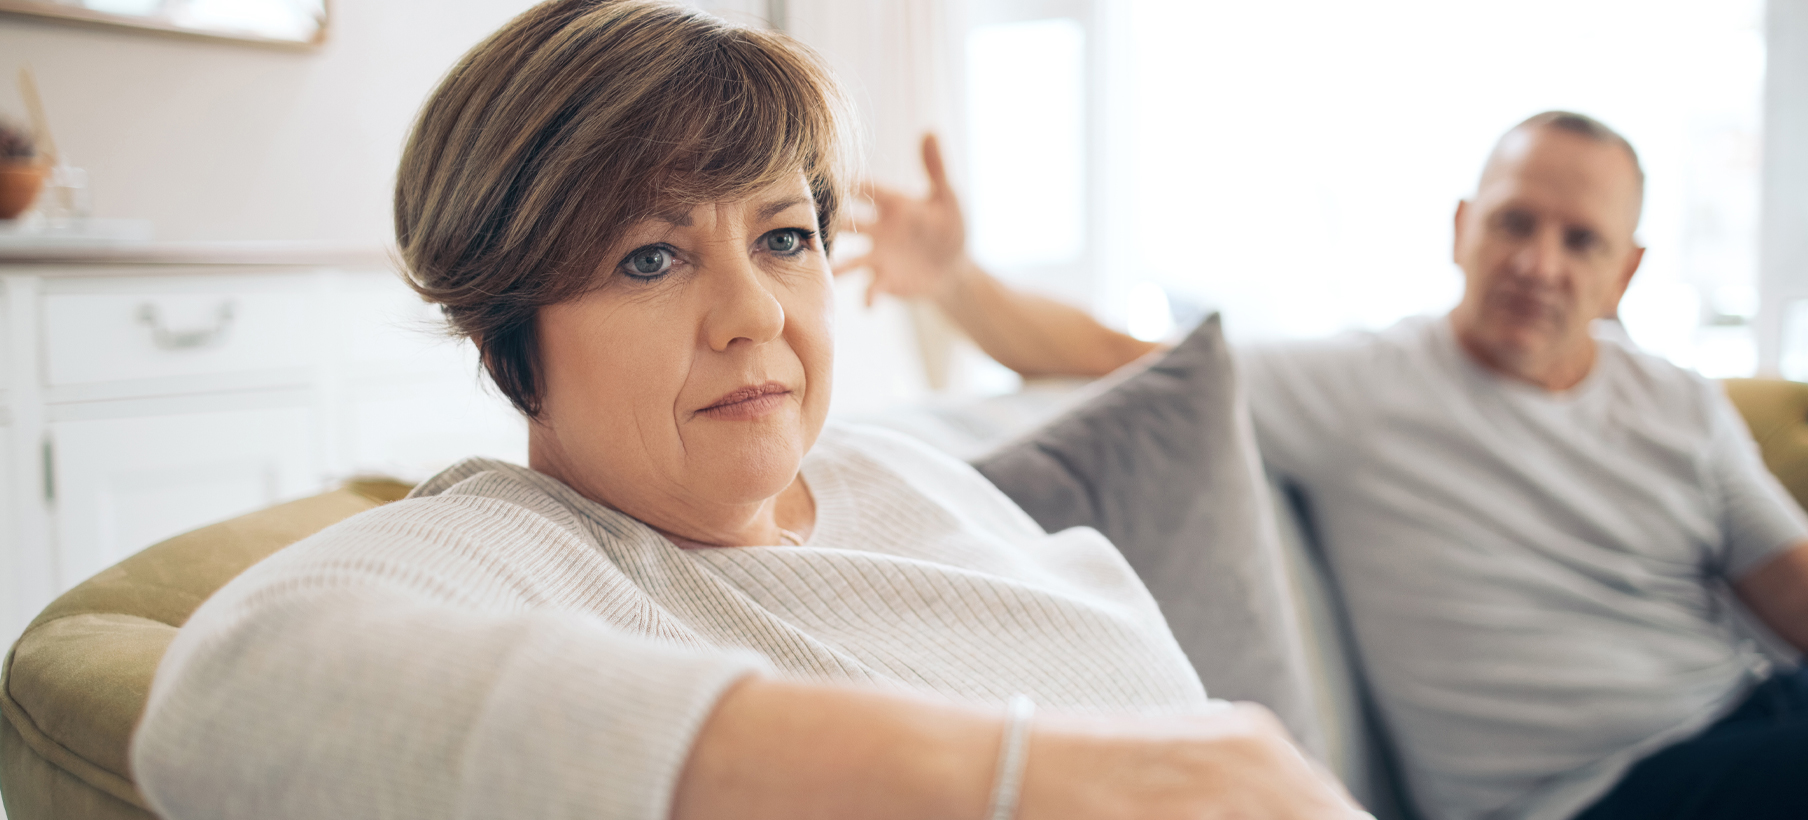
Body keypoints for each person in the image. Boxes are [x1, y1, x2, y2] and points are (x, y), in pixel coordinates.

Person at [127, 4, 1372, 820]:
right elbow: (223, 694)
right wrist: (1021, 775)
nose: (754, 316)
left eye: (784, 237)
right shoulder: (524, 545)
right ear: (505, 324)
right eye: (651, 259)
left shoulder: (913, 472)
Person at [841, 118, 1808, 820]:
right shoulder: (1362, 384)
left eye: (1580, 240)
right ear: (1461, 229)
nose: (1540, 263)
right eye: (1514, 223)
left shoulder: (1679, 404)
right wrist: (955, 279)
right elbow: (1107, 361)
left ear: (1625, 270)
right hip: (1608, 789)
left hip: (1764, 702)